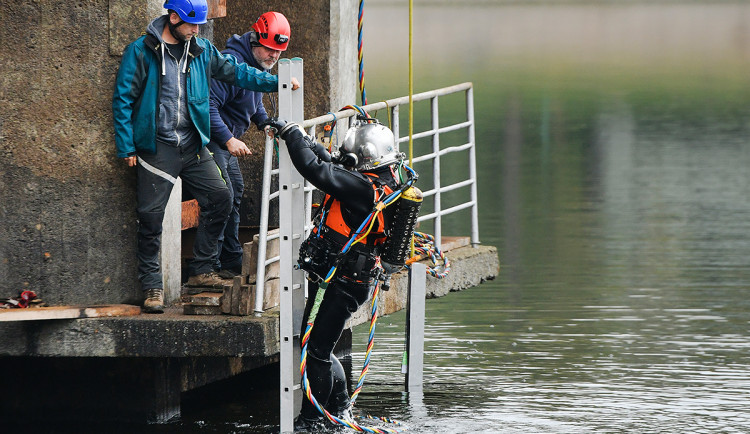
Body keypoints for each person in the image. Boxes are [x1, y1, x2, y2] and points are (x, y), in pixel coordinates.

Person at [112, 0, 298, 313]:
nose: (197, 31)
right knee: (151, 218)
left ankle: (202, 269)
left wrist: (275, 82)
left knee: (221, 197)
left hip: (193, 143)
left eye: (200, 25)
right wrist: (126, 145)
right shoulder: (141, 51)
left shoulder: (202, 50)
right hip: (156, 147)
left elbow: (240, 75)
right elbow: (123, 99)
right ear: (172, 18)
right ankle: (153, 287)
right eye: (191, 24)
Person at [261, 117, 416, 429]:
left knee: (316, 350)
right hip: (347, 277)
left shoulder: (361, 186)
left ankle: (313, 419)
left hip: (343, 280)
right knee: (315, 344)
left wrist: (291, 135)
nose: (346, 160)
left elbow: (318, 170)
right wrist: (306, 139)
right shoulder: (385, 178)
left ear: (363, 157)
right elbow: (332, 161)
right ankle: (340, 406)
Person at [207, 12, 291, 278]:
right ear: (255, 39)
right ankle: (211, 265)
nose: (274, 57)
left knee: (237, 191)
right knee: (222, 197)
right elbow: (207, 107)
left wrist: (264, 122)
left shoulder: (256, 64)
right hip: (213, 140)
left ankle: (231, 257)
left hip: (227, 139)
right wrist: (229, 139)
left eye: (279, 52)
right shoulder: (232, 66)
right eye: (269, 49)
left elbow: (253, 98)